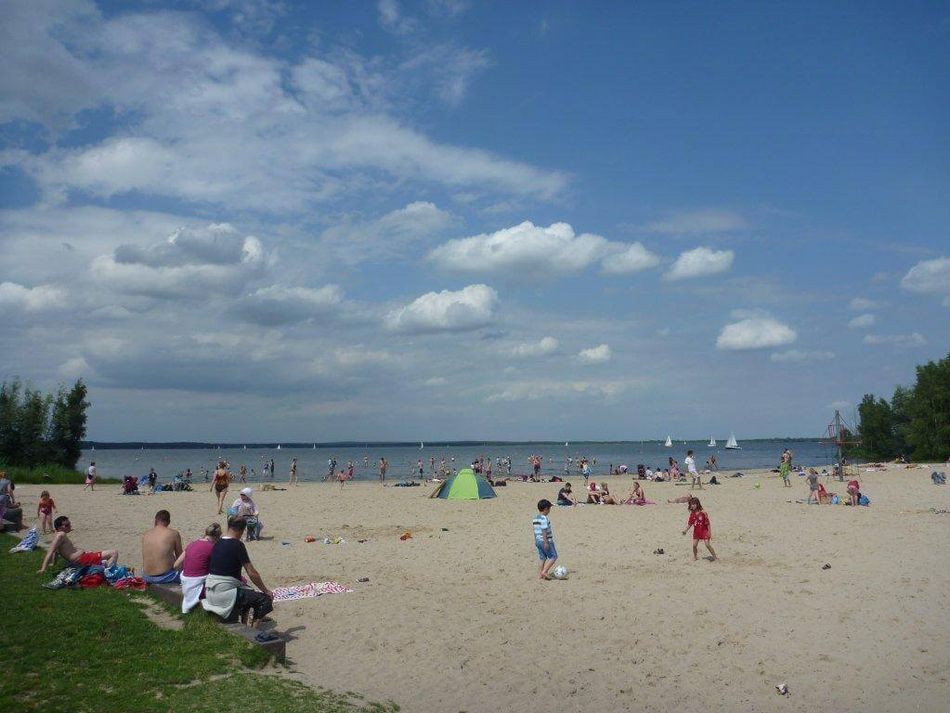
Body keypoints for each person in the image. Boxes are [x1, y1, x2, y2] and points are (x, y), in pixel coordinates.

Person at [203, 516, 274, 627]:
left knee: (247, 593)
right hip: (225, 593)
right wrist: (266, 591)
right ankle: (253, 632)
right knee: (264, 600)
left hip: (210, 590)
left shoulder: (217, 543)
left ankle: (244, 624)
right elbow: (251, 573)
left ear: (228, 526)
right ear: (242, 530)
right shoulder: (237, 545)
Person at [37, 515, 118, 574]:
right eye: (67, 525)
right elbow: (50, 551)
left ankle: (106, 570)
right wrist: (43, 569)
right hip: (82, 559)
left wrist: (53, 563)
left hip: (84, 557)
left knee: (104, 560)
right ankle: (109, 574)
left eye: (69, 524)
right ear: (59, 528)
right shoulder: (60, 535)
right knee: (114, 552)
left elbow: (56, 551)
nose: (70, 526)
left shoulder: (59, 536)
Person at [174, 522, 222, 613]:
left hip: (186, 583)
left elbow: (176, 565)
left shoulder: (192, 544)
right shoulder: (212, 547)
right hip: (198, 583)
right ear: (217, 537)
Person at [142, 510, 184, 584]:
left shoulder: (146, 534)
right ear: (169, 522)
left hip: (146, 576)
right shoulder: (174, 534)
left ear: (155, 521)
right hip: (165, 577)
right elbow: (180, 557)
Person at [532, 499, 558, 581]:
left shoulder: (535, 518)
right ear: (546, 509)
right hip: (545, 541)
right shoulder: (544, 518)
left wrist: (536, 540)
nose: (549, 511)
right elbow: (544, 530)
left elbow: (535, 531)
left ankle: (540, 575)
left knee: (542, 558)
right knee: (554, 556)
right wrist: (546, 542)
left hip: (538, 541)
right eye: (549, 509)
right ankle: (544, 571)